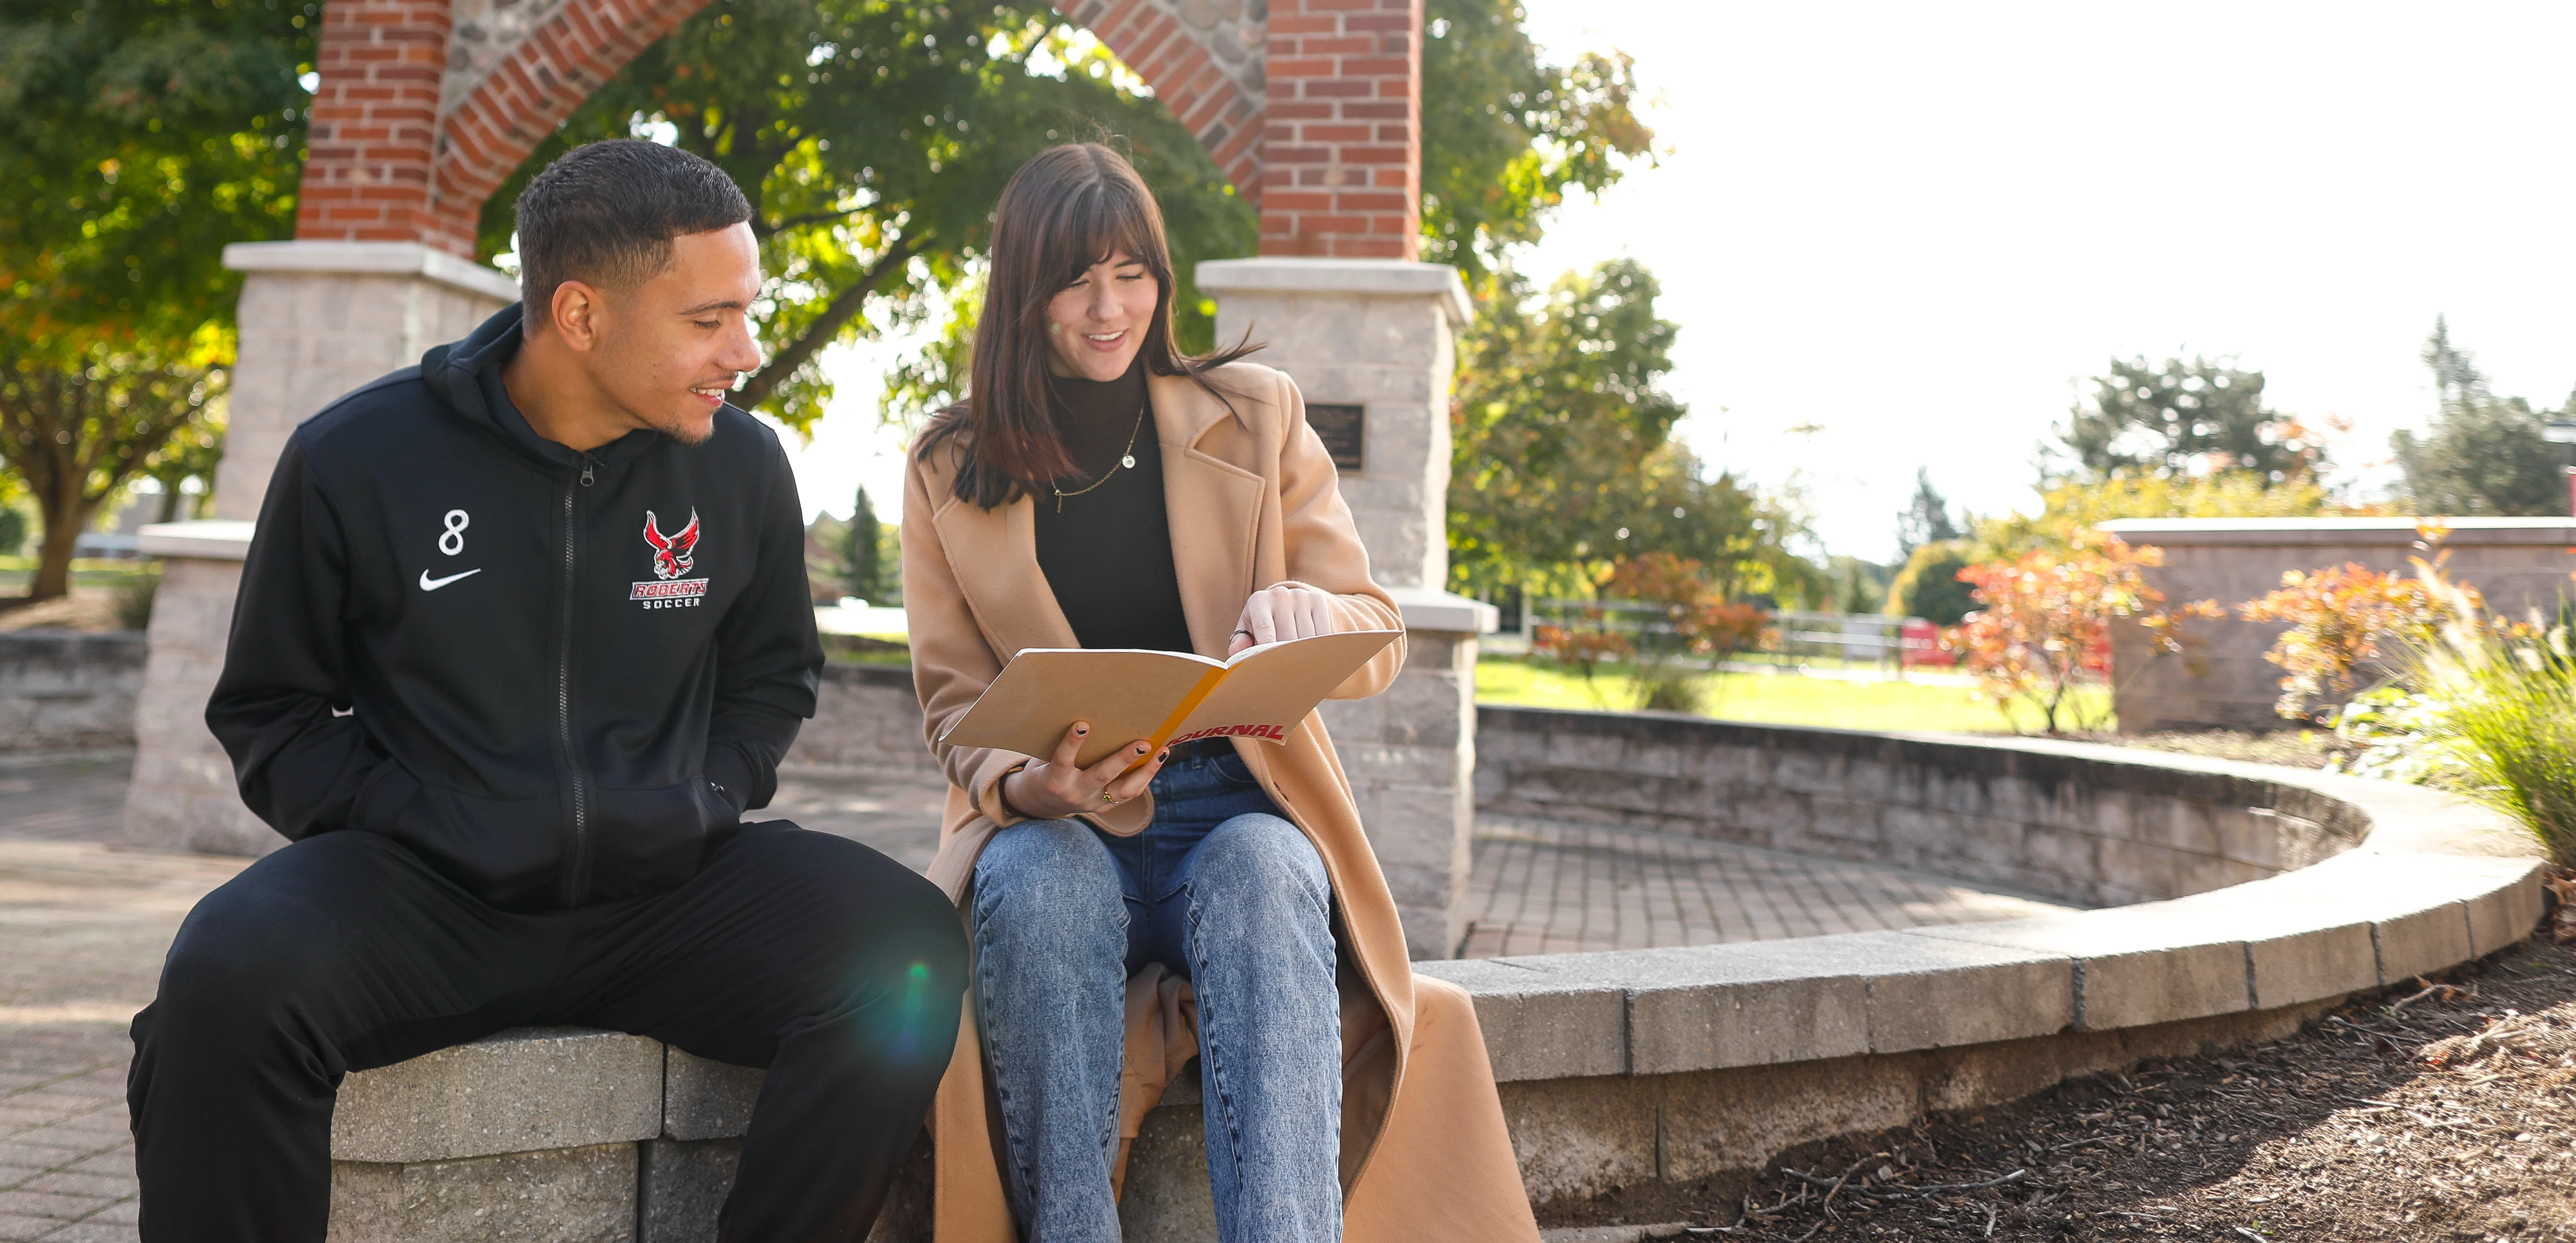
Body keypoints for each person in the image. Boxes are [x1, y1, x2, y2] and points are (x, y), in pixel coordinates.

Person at [129, 139, 965, 1243]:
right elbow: (271, 712)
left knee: (905, 943)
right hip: (428, 896)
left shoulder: (741, 464)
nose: (746, 351)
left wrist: (703, 796)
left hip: (667, 890)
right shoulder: (357, 456)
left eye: (748, 310)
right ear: (580, 313)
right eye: (708, 319)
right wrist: (428, 820)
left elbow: (772, 676)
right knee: (226, 974)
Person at [903, 143, 1536, 1243]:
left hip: (1235, 801)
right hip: (1058, 818)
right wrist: (1033, 784)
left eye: (1133, 272)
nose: (1111, 308)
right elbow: (954, 706)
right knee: (1038, 882)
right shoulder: (948, 464)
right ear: (1021, 291)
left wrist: (1308, 606)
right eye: (1075, 279)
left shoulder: (1256, 410)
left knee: (1270, 865)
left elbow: (1376, 632)